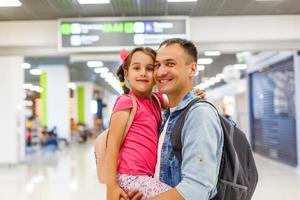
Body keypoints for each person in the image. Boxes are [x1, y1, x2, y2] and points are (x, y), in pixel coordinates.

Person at [127, 38, 224, 200]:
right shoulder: (167, 115)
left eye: (170, 64)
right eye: (157, 65)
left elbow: (196, 190)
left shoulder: (199, 114)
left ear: (192, 69)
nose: (160, 72)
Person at [105, 47, 172, 200]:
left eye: (149, 68)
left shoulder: (157, 100)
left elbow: (177, 102)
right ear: (127, 73)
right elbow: (113, 144)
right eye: (136, 68)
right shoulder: (126, 102)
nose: (143, 73)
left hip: (148, 176)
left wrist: (194, 95)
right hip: (131, 176)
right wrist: (111, 186)